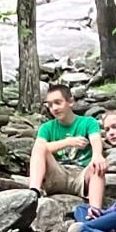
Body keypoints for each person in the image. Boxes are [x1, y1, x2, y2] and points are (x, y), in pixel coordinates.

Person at [27, 84, 107, 214]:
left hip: (82, 176)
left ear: (70, 102)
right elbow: (39, 148)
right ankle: (33, 193)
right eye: (50, 105)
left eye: (58, 103)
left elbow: (96, 141)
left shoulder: (88, 122)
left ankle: (95, 212)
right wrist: (67, 142)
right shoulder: (47, 127)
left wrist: (97, 155)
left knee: (97, 164)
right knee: (39, 148)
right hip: (57, 174)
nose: (54, 108)